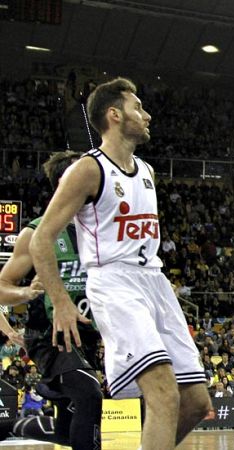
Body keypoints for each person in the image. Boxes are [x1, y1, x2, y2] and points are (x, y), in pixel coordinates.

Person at [29, 78, 211, 450]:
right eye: (137, 108)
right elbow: (42, 237)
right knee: (163, 393)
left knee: (195, 403)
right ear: (114, 115)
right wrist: (61, 301)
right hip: (114, 283)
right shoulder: (87, 169)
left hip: (153, 281)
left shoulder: (146, 171)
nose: (146, 115)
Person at [0, 151, 104, 449]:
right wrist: (27, 293)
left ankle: (18, 425)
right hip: (49, 333)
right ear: (65, 182)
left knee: (68, 428)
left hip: (86, 334)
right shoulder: (36, 231)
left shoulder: (98, 230)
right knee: (89, 394)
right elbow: (2, 285)